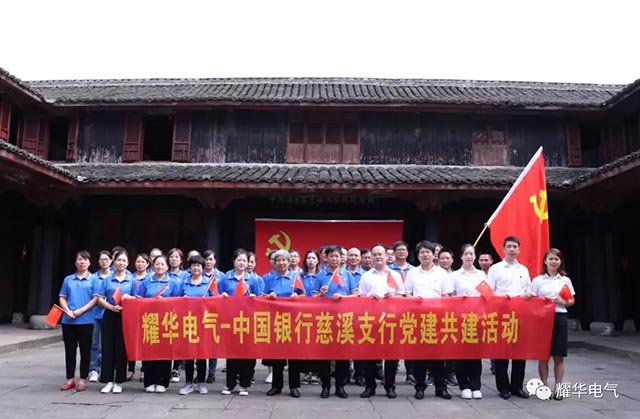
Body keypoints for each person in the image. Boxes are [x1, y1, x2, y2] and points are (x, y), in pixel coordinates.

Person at [404, 240, 453, 400]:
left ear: (434, 255)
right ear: (418, 256)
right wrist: (414, 300)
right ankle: (419, 387)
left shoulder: (442, 273)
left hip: (437, 319)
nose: (425, 255)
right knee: (419, 356)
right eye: (422, 252)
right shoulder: (412, 273)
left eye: (428, 252)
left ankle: (441, 387)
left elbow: (446, 295)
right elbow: (407, 294)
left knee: (438, 356)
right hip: (418, 319)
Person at [527, 248, 575, 400]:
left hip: (559, 317)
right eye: (551, 259)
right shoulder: (538, 280)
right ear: (545, 261)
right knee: (543, 356)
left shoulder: (565, 280)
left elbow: (571, 301)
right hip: (542, 320)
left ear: (560, 262)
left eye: (556, 259)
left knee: (559, 356)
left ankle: (558, 387)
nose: (553, 262)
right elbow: (530, 297)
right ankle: (544, 386)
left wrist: (562, 301)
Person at [358, 244, 405, 399]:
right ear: (371, 257)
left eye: (380, 254)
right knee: (370, 355)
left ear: (386, 256)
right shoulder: (366, 276)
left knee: (391, 356)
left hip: (391, 320)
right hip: (371, 320)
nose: (378, 257)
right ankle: (369, 386)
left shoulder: (395, 275)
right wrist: (369, 298)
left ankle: (390, 386)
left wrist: (393, 298)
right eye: (375, 254)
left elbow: (402, 296)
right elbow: (361, 297)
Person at [487, 236, 531, 400]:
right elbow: (488, 292)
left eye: (515, 247)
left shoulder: (523, 270)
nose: (512, 249)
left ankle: (517, 386)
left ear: (519, 250)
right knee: (502, 353)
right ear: (503, 249)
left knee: (520, 353)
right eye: (509, 247)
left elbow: (528, 289)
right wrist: (500, 298)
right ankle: (503, 387)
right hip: (501, 316)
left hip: (520, 315)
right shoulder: (495, 269)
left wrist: (527, 294)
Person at [316, 245, 357, 398]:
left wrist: (343, 297)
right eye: (331, 256)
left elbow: (356, 295)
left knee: (343, 355)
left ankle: (340, 386)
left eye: (337, 256)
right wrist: (321, 294)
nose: (334, 259)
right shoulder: (321, 275)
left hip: (344, 319)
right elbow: (312, 298)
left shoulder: (347, 275)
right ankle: (325, 386)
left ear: (341, 258)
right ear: (326, 258)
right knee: (324, 356)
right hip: (325, 319)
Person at [136, 254, 181, 393]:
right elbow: (139, 300)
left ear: (167, 267)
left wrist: (164, 301)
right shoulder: (146, 282)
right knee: (149, 351)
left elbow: (178, 302)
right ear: (152, 266)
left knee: (165, 351)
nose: (159, 267)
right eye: (157, 264)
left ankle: (162, 381)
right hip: (149, 320)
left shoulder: (173, 283)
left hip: (167, 321)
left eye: (162, 264)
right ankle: (149, 381)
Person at [219, 248, 259, 396]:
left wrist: (254, 298)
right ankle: (230, 384)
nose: (242, 263)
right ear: (234, 261)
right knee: (231, 354)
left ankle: (244, 384)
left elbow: (260, 299)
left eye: (244, 260)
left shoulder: (253, 279)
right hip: (231, 320)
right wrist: (222, 296)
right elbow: (217, 295)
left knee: (247, 354)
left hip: (248, 321)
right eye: (239, 260)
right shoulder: (225, 278)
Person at [265, 250, 305, 398]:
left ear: (289, 262)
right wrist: (269, 296)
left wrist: (297, 296)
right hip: (276, 320)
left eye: (284, 260)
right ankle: (276, 386)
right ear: (274, 263)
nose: (281, 263)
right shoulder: (269, 278)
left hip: (294, 321)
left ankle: (294, 386)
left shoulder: (296, 277)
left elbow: (304, 295)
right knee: (277, 355)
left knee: (294, 355)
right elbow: (262, 296)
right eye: (278, 260)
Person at [96, 250, 135, 394]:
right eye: (119, 260)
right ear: (114, 262)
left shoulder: (132, 280)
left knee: (121, 349)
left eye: (124, 260)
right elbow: (99, 299)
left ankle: (119, 381)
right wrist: (111, 307)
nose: (121, 263)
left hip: (125, 316)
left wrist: (129, 299)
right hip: (109, 315)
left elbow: (137, 297)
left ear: (128, 263)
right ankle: (108, 380)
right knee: (107, 348)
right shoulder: (107, 280)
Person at [58, 251, 98, 392]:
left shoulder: (94, 279)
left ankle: (82, 379)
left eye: (85, 260)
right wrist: (67, 310)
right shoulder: (68, 279)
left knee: (85, 351)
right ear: (75, 262)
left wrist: (80, 311)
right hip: (68, 320)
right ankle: (70, 379)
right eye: (80, 259)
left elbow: (95, 299)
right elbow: (62, 297)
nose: (82, 262)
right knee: (69, 351)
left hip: (86, 320)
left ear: (89, 262)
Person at [451, 244, 486, 400]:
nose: (469, 256)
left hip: (477, 319)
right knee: (461, 354)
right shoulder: (455, 276)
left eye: (471, 254)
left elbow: (488, 295)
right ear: (461, 256)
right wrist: (459, 298)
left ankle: (476, 385)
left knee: (476, 353)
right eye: (466, 254)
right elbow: (449, 296)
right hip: (460, 319)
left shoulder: (481, 275)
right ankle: (464, 385)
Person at [178, 255, 213, 395]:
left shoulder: (209, 282)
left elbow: (216, 301)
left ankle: (201, 382)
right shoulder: (184, 282)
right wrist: (182, 300)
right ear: (190, 267)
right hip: (188, 322)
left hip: (204, 322)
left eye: (199, 265)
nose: (196, 268)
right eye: (193, 265)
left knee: (202, 354)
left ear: (202, 268)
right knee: (189, 354)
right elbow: (175, 300)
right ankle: (188, 383)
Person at [389, 240, 416, 384]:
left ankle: (410, 373)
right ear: (394, 253)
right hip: (393, 312)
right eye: (398, 250)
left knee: (410, 341)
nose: (401, 252)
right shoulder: (388, 271)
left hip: (410, 311)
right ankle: (390, 375)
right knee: (393, 342)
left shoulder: (414, 270)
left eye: (404, 250)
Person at [88, 251, 112, 383]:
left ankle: (106, 368)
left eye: (106, 259)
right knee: (95, 343)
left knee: (107, 344)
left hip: (111, 314)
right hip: (96, 314)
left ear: (111, 261)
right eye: (102, 259)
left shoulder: (115, 276)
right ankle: (93, 369)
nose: (104, 262)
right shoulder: (93, 277)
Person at [202, 249, 225, 383]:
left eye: (211, 259)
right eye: (206, 259)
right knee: (201, 343)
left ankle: (211, 373)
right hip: (200, 314)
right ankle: (200, 372)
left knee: (213, 344)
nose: (208, 262)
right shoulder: (198, 274)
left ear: (215, 261)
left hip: (215, 314)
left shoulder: (221, 276)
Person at [299, 249, 321, 385]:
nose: (311, 261)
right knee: (305, 343)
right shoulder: (300, 276)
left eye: (313, 258)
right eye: (308, 258)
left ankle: (316, 373)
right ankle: (306, 372)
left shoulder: (322, 276)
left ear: (318, 260)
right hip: (303, 314)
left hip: (319, 314)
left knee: (317, 343)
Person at [128, 253, 150, 382]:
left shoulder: (150, 279)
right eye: (138, 262)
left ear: (148, 264)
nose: (140, 264)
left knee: (145, 341)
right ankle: (130, 369)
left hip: (146, 315)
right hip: (132, 314)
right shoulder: (130, 277)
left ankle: (144, 369)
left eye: (143, 262)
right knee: (132, 341)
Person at [437, 248, 457, 387]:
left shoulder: (457, 275)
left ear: (452, 260)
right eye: (442, 258)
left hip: (454, 316)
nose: (445, 261)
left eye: (447, 258)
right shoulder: (436, 274)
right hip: (436, 315)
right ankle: (434, 374)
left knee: (451, 344)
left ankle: (450, 373)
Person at [167, 248, 187, 382]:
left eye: (176, 257)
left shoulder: (186, 275)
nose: (173, 259)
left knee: (178, 341)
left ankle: (176, 368)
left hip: (181, 312)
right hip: (166, 312)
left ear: (181, 260)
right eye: (171, 257)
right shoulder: (163, 273)